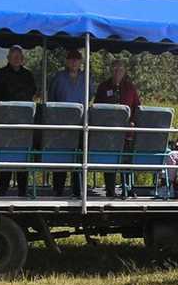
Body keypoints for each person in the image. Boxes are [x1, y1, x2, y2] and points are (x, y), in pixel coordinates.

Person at [0, 45, 37, 196]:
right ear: (8, 58)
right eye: (14, 56)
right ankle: (3, 190)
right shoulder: (1, 74)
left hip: (24, 121)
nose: (17, 59)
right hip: (6, 121)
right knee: (6, 154)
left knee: (23, 155)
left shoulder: (28, 75)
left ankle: (23, 191)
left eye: (19, 57)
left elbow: (33, 93)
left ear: (23, 59)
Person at [48, 49, 95, 196]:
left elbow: (91, 95)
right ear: (67, 61)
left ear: (81, 61)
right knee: (61, 156)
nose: (74, 61)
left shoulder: (86, 77)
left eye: (77, 59)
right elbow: (52, 98)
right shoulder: (59, 77)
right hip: (62, 123)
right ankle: (58, 189)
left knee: (80, 156)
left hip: (81, 123)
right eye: (71, 59)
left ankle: (78, 189)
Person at [94, 59, 141, 197]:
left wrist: (133, 122)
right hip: (108, 133)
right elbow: (96, 108)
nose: (117, 72)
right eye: (115, 69)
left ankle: (127, 189)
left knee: (126, 160)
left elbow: (137, 108)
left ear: (124, 71)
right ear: (111, 70)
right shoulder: (103, 87)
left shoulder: (130, 87)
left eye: (120, 69)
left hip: (126, 132)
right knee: (109, 161)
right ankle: (110, 190)